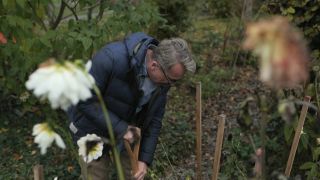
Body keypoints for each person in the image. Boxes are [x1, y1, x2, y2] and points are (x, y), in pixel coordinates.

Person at [67, 32, 196, 180]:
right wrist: (122, 128)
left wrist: (144, 160)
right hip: (91, 130)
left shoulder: (163, 81)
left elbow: (154, 121)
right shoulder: (110, 59)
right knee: (96, 176)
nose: (172, 85)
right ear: (154, 66)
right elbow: (85, 101)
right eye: (172, 80)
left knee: (132, 176)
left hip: (128, 134)